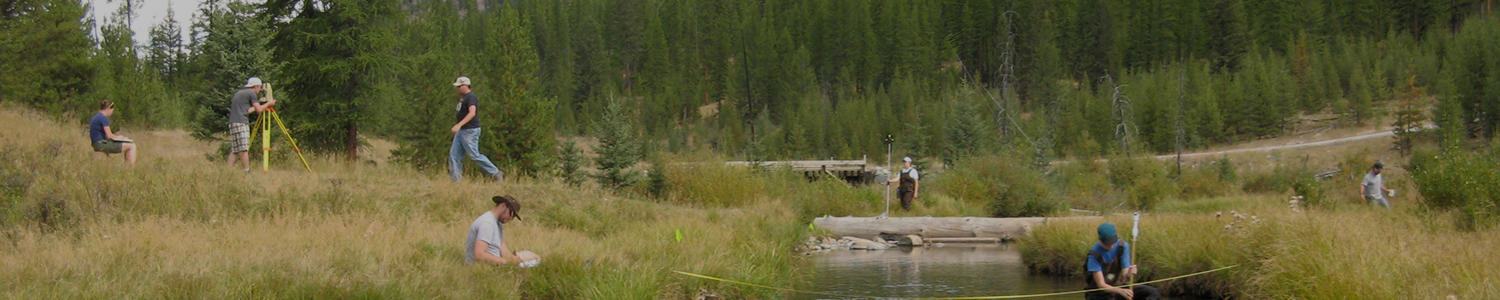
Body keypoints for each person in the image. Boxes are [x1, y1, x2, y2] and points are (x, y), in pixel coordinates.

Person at [448, 76, 504, 183]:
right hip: (462, 131)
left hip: (470, 131)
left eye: (460, 86)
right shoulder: (463, 98)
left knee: (474, 155)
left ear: (466, 86)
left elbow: (472, 113)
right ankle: (455, 181)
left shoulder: (471, 97)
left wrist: (459, 125)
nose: (458, 89)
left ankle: (496, 173)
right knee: (454, 155)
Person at [1084, 222, 1159, 300]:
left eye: (1112, 242)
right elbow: (1101, 285)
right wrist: (1120, 291)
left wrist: (1129, 272)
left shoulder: (1122, 246)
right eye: (1107, 244)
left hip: (1119, 287)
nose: (1111, 246)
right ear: (1100, 240)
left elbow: (1124, 275)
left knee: (1152, 292)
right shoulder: (1093, 255)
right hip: (1100, 293)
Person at [465, 195, 540, 266]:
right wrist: (506, 262)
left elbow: (504, 252)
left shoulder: (497, 224)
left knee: (534, 258)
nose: (511, 219)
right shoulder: (487, 223)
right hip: (484, 268)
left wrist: (517, 260)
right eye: (512, 214)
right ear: (503, 205)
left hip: (496, 264)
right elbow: (479, 254)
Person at [227, 77, 275, 172]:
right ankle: (246, 171)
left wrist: (261, 104)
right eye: (260, 88)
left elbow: (248, 110)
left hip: (233, 122)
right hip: (241, 123)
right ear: (256, 86)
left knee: (235, 150)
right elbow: (259, 110)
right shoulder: (251, 93)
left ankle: (227, 171)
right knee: (244, 149)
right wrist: (269, 104)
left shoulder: (239, 93)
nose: (260, 90)